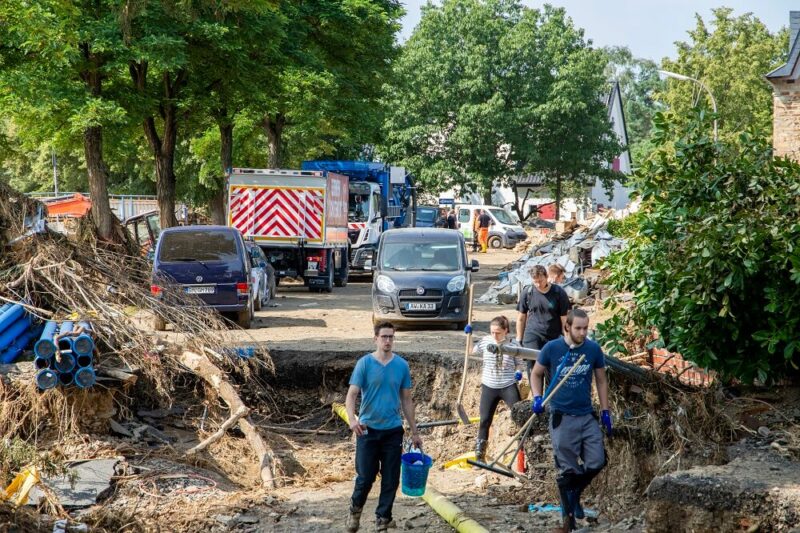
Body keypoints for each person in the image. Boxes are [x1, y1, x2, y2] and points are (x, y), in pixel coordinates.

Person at [530, 309, 611, 532]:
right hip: (561, 417)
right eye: (578, 328)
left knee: (597, 461)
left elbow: (601, 381)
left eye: (586, 328)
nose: (583, 333)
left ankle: (573, 497)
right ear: (567, 327)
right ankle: (568, 523)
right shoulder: (552, 348)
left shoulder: (592, 349)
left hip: (586, 415)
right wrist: (537, 397)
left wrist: (605, 411)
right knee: (569, 470)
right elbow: (536, 373)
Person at [345, 322, 422, 533]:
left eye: (391, 337)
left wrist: (414, 432)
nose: (388, 341)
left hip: (393, 430)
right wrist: (352, 420)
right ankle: (355, 509)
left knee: (391, 478)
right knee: (365, 477)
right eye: (384, 337)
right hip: (367, 430)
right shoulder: (364, 364)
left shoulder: (401, 366)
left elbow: (407, 400)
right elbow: (352, 395)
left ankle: (383, 518)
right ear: (375, 339)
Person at [472, 316, 524, 463]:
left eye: (498, 332)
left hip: (508, 385)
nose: (494, 336)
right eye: (492, 332)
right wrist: (468, 336)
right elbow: (471, 351)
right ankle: (479, 457)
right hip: (489, 386)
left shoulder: (514, 344)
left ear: (506, 331)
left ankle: (523, 456)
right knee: (484, 421)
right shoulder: (486, 341)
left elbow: (519, 364)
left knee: (520, 418)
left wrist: (518, 372)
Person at [516, 265, 571, 392]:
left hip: (552, 335)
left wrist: (568, 338)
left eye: (540, 281)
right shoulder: (528, 292)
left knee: (551, 368)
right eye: (535, 281)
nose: (538, 284)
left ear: (547, 277)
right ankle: (537, 398)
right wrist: (519, 339)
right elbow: (521, 317)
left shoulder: (559, 293)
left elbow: (564, 319)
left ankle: (549, 400)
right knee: (534, 367)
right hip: (532, 334)